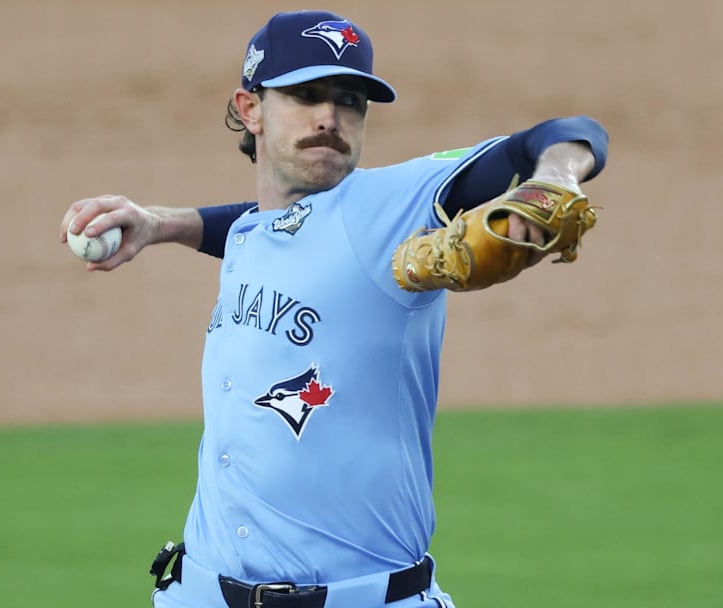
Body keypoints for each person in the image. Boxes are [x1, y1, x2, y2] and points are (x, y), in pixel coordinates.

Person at [61, 10, 608, 608]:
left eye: (350, 100)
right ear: (250, 109)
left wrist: (555, 176)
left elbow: (566, 132)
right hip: (198, 592)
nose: (330, 117)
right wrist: (162, 223)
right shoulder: (254, 233)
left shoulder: (390, 204)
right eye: (305, 94)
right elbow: (259, 225)